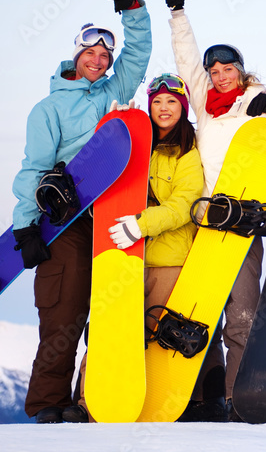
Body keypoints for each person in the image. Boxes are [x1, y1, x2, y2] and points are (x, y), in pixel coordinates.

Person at [11, 0, 151, 424]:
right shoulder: (48, 109)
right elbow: (33, 169)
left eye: (104, 56)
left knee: (110, 311)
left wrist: (131, 8)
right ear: (76, 56)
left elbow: (139, 53)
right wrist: (25, 224)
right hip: (66, 221)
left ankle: (89, 400)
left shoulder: (112, 90)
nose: (98, 60)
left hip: (111, 212)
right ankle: (48, 403)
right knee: (64, 311)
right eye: (90, 53)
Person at [164, 0, 266, 422]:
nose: (218, 77)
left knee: (241, 312)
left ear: (241, 71)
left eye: (227, 70)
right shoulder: (203, 106)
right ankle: (201, 396)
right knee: (198, 310)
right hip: (201, 219)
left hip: (239, 223)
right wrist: (177, 11)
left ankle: (239, 397)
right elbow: (186, 60)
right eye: (214, 72)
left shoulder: (256, 106)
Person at [70, 74, 207, 423]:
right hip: (124, 258)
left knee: (156, 335)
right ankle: (89, 404)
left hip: (166, 260)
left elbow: (182, 205)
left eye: (172, 102)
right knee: (110, 330)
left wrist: (140, 226)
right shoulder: (137, 144)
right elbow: (106, 185)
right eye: (158, 101)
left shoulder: (187, 153)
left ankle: (148, 407)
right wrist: (116, 132)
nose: (164, 108)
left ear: (183, 108)